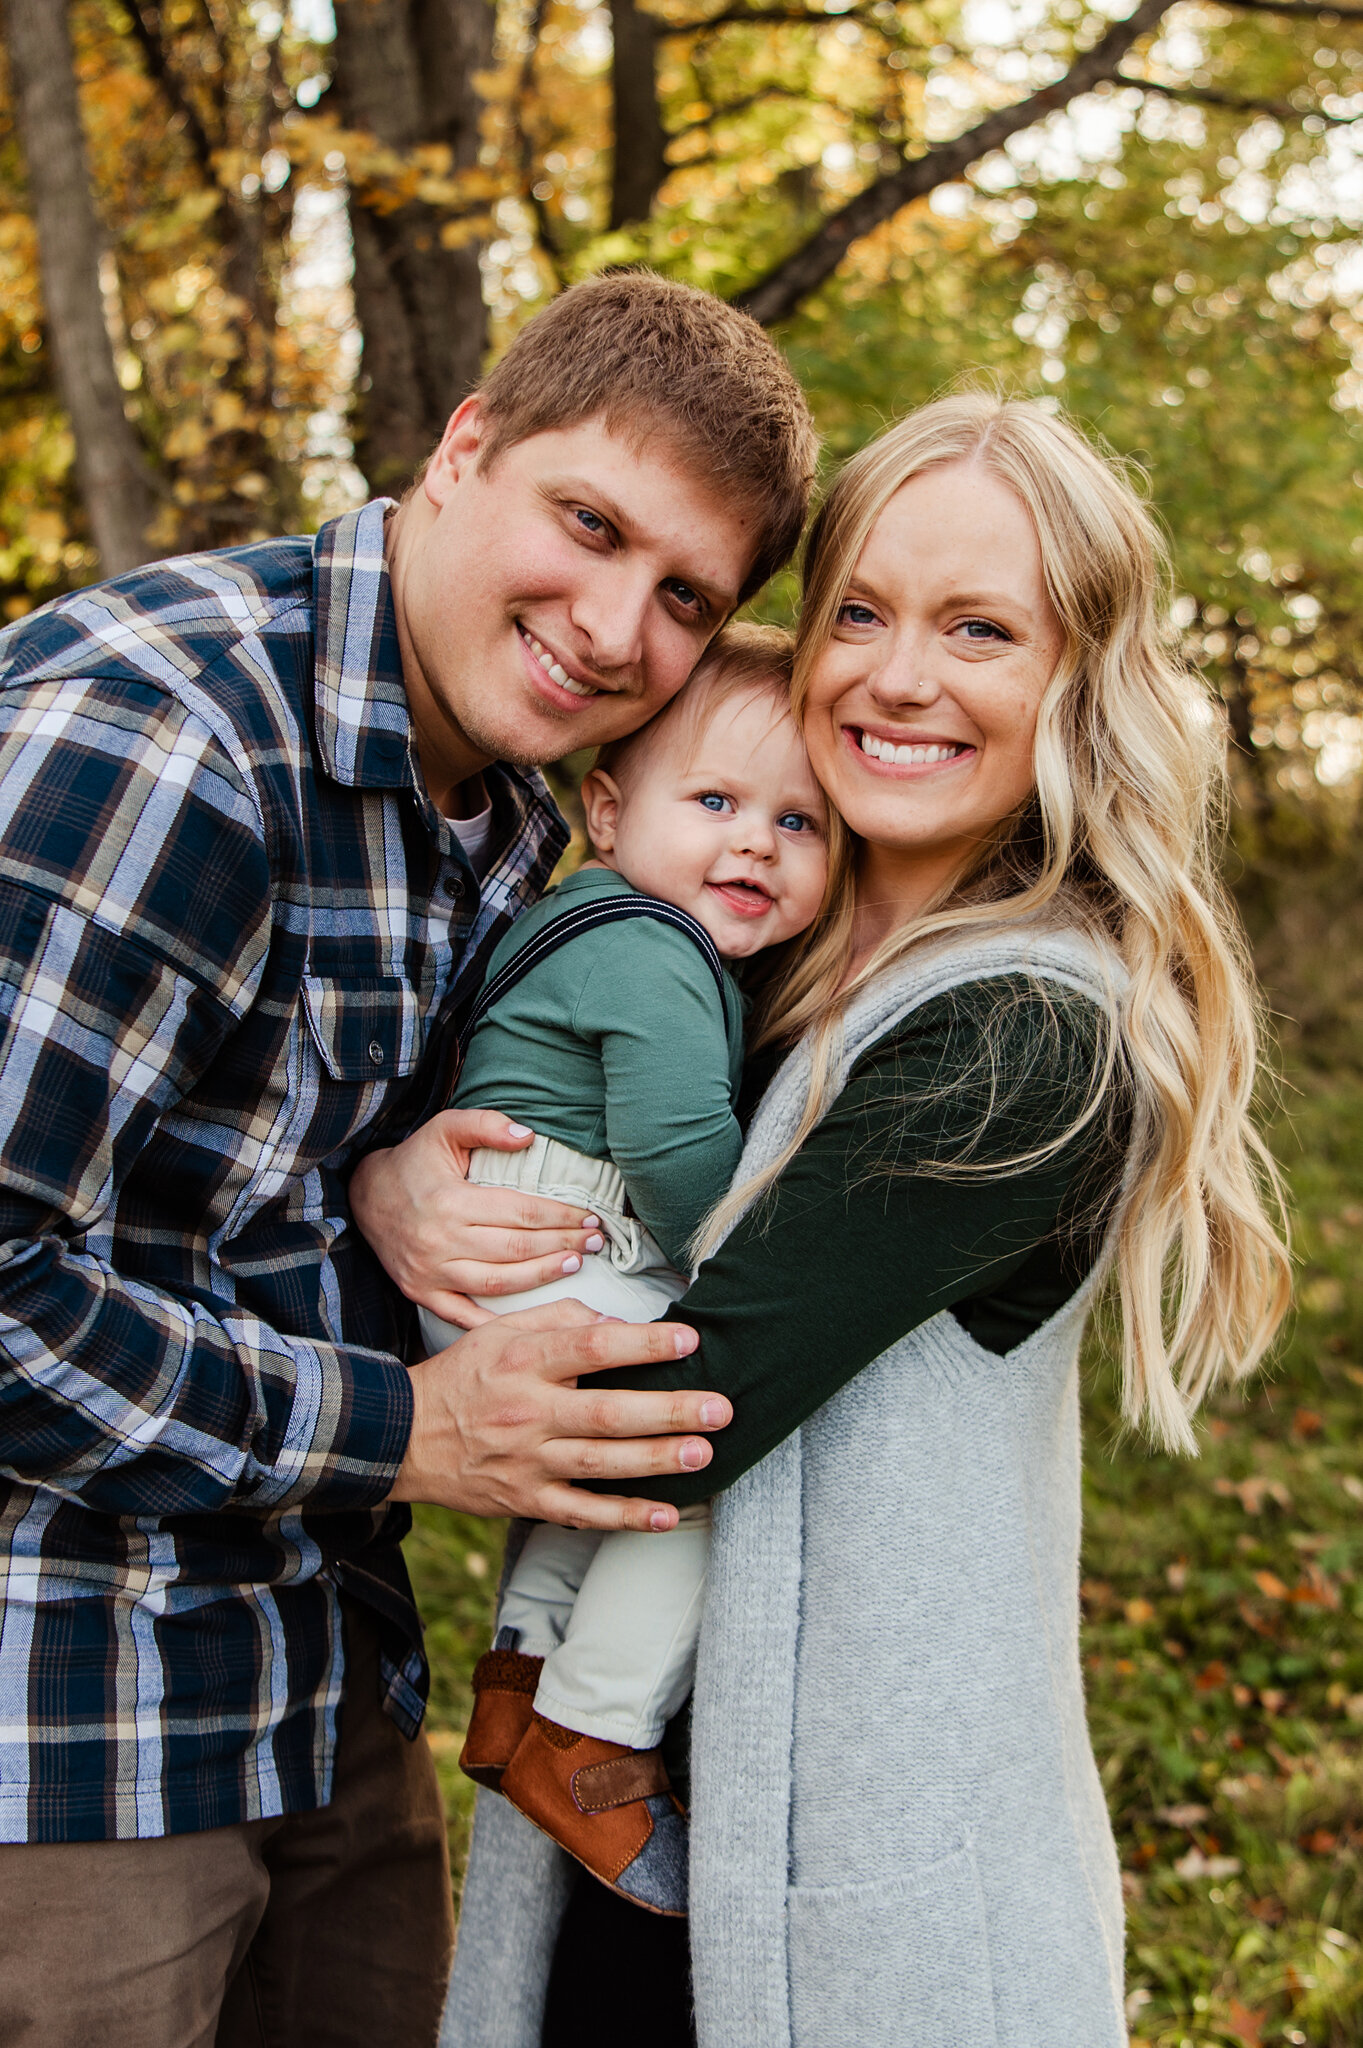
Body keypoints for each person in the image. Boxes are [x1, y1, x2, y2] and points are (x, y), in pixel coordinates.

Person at [360, 392, 1291, 2048]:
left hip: (853, 1899)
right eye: (860, 611)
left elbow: (682, 1403)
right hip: (643, 1837)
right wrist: (399, 1178)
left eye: (980, 628)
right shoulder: (753, 970)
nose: (899, 675)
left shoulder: (1021, 1033)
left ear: (1079, 682)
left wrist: (388, 1412)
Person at [0, 272, 818, 2046]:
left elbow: (261, 1145)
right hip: (65, 1728)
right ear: (465, 449)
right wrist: (414, 1429)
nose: (613, 627)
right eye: (588, 525)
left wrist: (377, 1174)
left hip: (326, 1676)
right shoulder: (164, 739)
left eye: (685, 595)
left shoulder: (513, 819)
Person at [423, 626, 827, 1915]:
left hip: (515, 1260)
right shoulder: (654, 948)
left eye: (802, 823)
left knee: (590, 1497)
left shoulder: (584, 925)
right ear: (608, 809)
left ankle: (522, 1684)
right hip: (563, 1251)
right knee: (714, 1454)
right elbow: (676, 1154)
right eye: (715, 801)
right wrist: (771, 1284)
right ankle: (594, 1730)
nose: (755, 842)